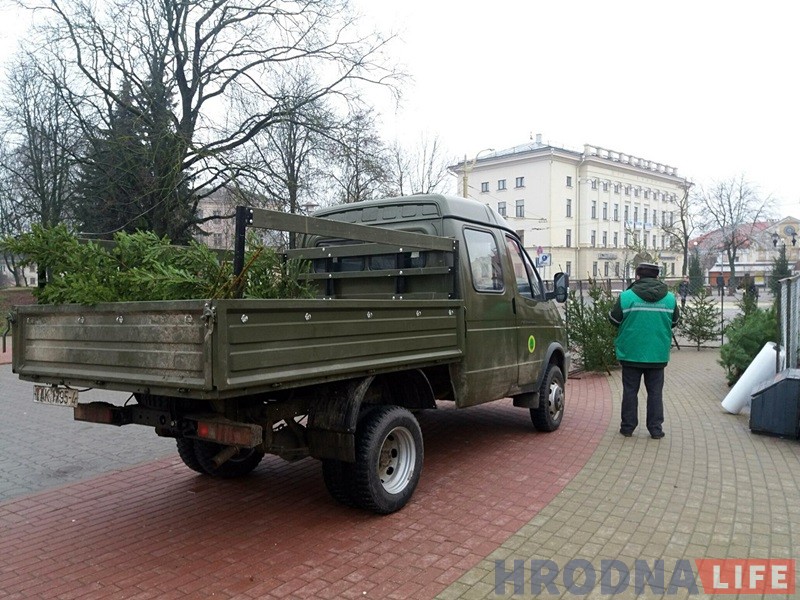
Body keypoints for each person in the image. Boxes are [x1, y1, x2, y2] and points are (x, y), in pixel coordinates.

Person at [608, 263, 681, 439]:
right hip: (657, 354)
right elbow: (674, 322)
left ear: (637, 277)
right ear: (657, 277)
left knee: (630, 391)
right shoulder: (670, 299)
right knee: (655, 393)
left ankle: (627, 428)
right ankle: (655, 429)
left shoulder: (626, 297)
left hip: (631, 353)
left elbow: (614, 320)